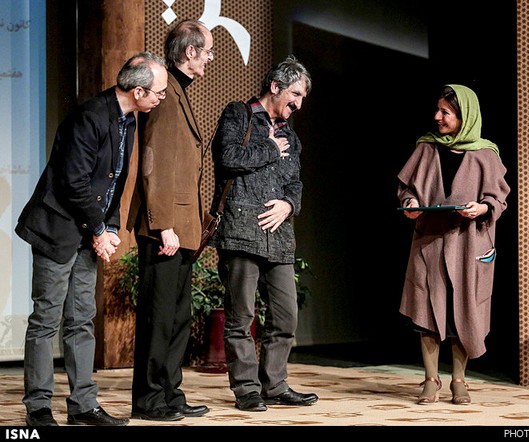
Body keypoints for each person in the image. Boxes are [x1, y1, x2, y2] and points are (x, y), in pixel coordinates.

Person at [15, 51, 168, 427]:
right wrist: (100, 230)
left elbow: (113, 182)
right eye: (159, 92)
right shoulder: (90, 116)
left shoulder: (128, 120)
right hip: (57, 229)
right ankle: (38, 407)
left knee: (81, 318)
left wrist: (109, 228)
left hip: (88, 231)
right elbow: (74, 182)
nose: (161, 98)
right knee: (46, 319)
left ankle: (83, 405)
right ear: (137, 91)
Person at [211, 55, 318, 412]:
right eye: (295, 94)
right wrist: (270, 148)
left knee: (286, 317)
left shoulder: (291, 135)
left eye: (302, 97)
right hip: (242, 231)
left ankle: (274, 384)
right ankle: (246, 389)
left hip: (279, 237)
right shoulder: (238, 115)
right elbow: (228, 157)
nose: (299, 104)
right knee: (241, 317)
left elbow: (295, 182)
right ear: (275, 86)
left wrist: (289, 204)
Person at [397, 84, 510, 406]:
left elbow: (498, 198)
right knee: (427, 308)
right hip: (430, 241)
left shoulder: (486, 153)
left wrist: (482, 208)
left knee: (464, 309)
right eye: (438, 110)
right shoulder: (426, 148)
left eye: (445, 112)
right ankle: (430, 379)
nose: (438, 117)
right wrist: (411, 204)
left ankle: (459, 380)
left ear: (465, 116)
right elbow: (407, 190)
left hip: (468, 244)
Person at [127, 19, 214, 422]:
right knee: (159, 318)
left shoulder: (179, 91)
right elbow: (154, 164)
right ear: (190, 51)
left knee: (178, 317)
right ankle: (149, 400)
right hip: (167, 228)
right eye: (207, 51)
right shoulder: (164, 92)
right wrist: (163, 224)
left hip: (182, 227)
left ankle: (170, 394)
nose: (210, 58)